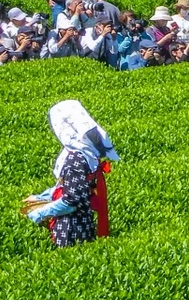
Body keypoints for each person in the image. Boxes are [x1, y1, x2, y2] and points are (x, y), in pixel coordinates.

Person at [24, 100, 119, 246]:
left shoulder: (76, 158)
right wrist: (40, 197)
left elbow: (71, 201)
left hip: (71, 229)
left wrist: (38, 213)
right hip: (82, 221)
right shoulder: (87, 151)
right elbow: (72, 187)